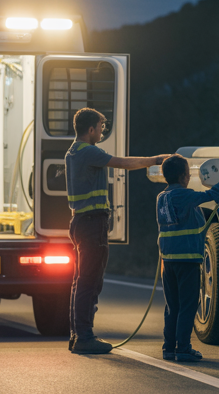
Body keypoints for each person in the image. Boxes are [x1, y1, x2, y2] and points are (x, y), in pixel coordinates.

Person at [66, 108, 169, 355]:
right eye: (101, 126)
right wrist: (157, 159)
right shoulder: (90, 151)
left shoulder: (73, 152)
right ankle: (85, 337)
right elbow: (123, 163)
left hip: (81, 221)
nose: (102, 131)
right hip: (92, 224)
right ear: (90, 129)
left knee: (81, 281)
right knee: (90, 282)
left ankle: (77, 334)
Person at [156, 156, 219, 361]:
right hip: (187, 260)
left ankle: (169, 348)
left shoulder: (161, 198)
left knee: (173, 306)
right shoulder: (185, 195)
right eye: (188, 173)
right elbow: (212, 194)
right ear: (183, 177)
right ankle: (184, 348)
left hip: (168, 261)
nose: (189, 176)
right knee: (189, 305)